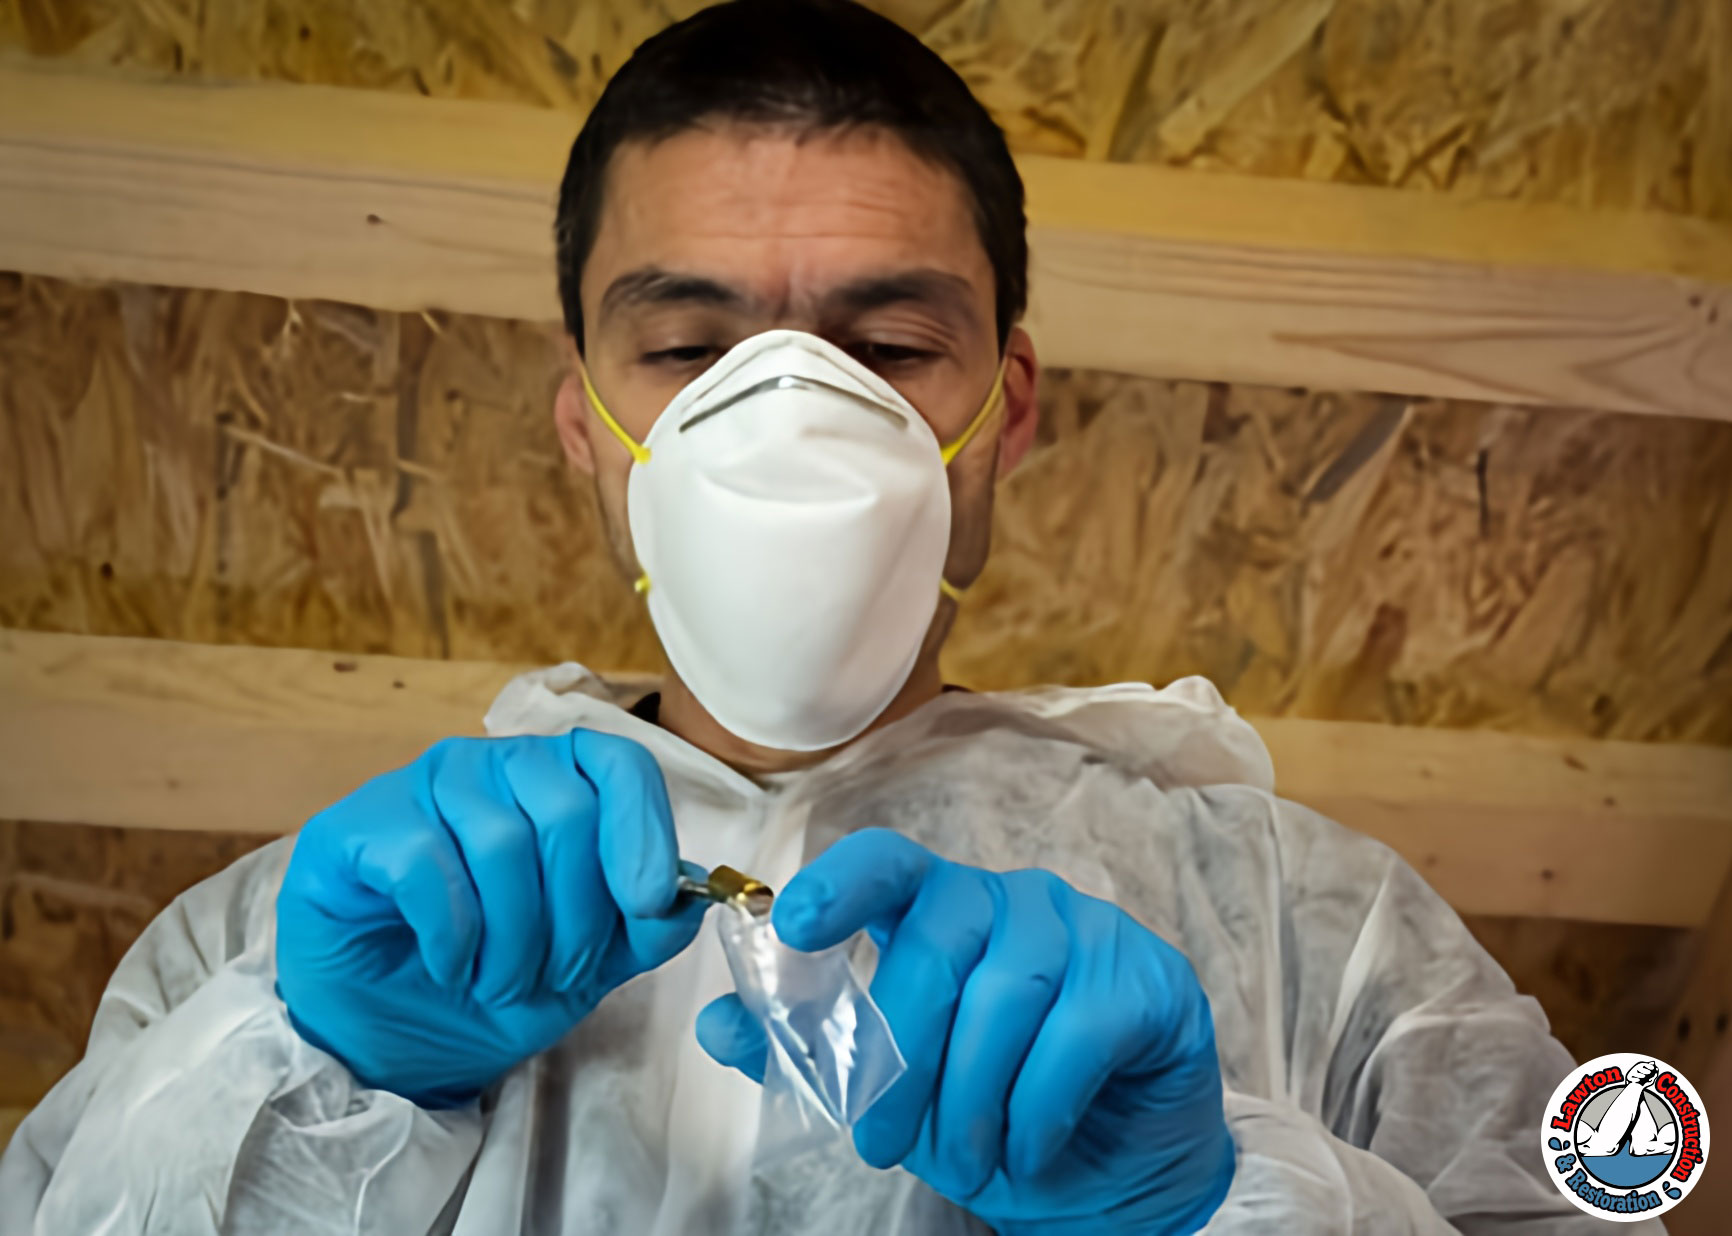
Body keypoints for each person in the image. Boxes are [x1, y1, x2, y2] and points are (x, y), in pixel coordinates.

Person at [0, 2, 1651, 1233]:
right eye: (687, 347)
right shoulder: (284, 958)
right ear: (589, 427)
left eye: (889, 345)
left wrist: (1212, 1200)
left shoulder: (1319, 935)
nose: (788, 419)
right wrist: (326, 1082)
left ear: (1002, 414)